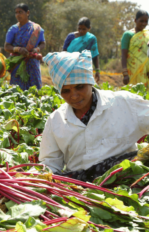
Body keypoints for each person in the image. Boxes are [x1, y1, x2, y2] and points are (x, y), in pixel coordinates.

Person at [39, 50, 149, 182]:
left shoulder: (124, 103)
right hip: (80, 189)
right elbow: (50, 165)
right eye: (66, 91)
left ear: (90, 81)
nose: (74, 95)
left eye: (80, 87)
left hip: (128, 182)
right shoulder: (56, 121)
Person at [4, 3, 46, 90]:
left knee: (34, 89)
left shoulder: (36, 29)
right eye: (16, 12)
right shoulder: (13, 29)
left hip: (33, 63)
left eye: (20, 12)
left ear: (27, 13)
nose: (18, 15)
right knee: (17, 89)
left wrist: (37, 49)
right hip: (18, 63)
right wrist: (18, 49)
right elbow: (7, 46)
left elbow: (43, 43)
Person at [63, 17, 100, 83]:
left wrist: (97, 70)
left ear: (89, 28)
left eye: (84, 29)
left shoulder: (91, 39)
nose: (81, 31)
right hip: (70, 67)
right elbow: (64, 52)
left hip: (84, 68)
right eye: (79, 28)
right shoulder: (71, 36)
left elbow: (95, 55)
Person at [121, 10, 149, 88]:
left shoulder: (147, 35)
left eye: (146, 21)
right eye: (141, 21)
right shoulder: (128, 35)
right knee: (133, 94)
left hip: (145, 72)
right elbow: (123, 55)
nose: (144, 23)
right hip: (132, 72)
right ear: (135, 20)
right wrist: (125, 74)